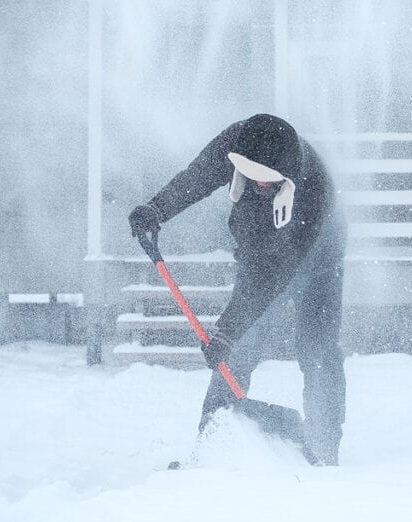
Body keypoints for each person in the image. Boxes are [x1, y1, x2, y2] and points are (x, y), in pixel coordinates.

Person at [128, 113, 347, 465]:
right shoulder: (239, 141)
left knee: (317, 349)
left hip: (319, 254)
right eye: (253, 178)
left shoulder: (313, 190)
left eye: (268, 182)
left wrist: (227, 329)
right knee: (240, 349)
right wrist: (157, 210)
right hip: (259, 244)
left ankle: (323, 452)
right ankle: (212, 448)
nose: (260, 187)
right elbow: (197, 178)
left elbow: (273, 275)